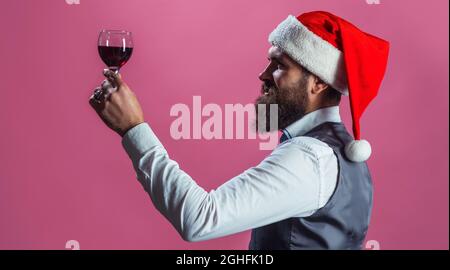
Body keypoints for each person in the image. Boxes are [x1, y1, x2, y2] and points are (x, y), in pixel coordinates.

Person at [89, 11, 389, 250]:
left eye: (279, 65)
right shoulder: (339, 150)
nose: (263, 74)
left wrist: (134, 128)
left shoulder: (310, 157)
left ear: (319, 82)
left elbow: (200, 219)